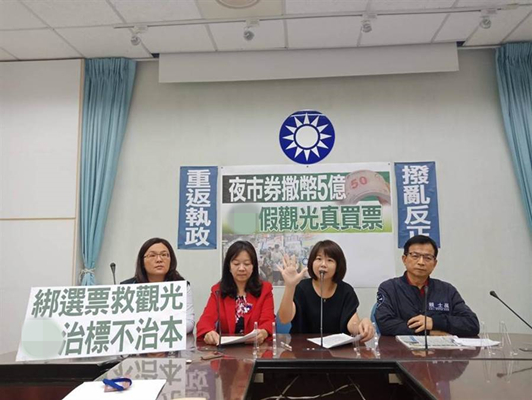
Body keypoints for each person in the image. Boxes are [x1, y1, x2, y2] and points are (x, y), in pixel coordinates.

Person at [375, 235, 479, 337]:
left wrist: (434, 322)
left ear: (435, 263)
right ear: (404, 259)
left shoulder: (447, 290)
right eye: (415, 256)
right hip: (399, 347)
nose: (421, 262)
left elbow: (472, 324)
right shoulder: (389, 288)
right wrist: (427, 332)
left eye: (427, 258)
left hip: (441, 348)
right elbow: (384, 324)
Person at [277, 240, 374, 342]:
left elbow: (352, 324)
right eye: (319, 259)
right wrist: (290, 286)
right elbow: (284, 319)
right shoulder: (301, 288)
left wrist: (363, 325)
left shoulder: (346, 291)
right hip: (302, 347)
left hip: (337, 349)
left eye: (330, 260)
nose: (323, 264)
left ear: (338, 266)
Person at [196, 240, 275, 345]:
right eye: (236, 264)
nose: (241, 268)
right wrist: (208, 333)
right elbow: (205, 321)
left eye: (246, 264)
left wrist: (264, 332)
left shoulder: (265, 290)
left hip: (256, 349)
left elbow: (269, 320)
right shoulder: (218, 291)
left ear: (253, 266)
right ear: (229, 266)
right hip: (226, 351)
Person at [121, 237, 195, 334]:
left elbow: (189, 322)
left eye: (164, 255)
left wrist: (160, 332)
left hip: (170, 338)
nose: (159, 260)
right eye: (152, 255)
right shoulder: (128, 287)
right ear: (142, 262)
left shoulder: (181, 287)